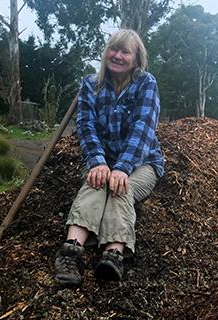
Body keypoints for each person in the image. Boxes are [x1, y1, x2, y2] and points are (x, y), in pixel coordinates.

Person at [54, 29, 164, 288]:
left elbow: (143, 129)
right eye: (113, 49)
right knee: (96, 182)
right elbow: (86, 126)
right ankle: (71, 253)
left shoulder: (146, 83)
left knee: (119, 186)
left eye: (125, 52)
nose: (117, 55)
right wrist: (98, 162)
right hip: (100, 158)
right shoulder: (90, 84)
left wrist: (123, 168)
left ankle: (113, 255)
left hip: (142, 162)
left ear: (136, 60)